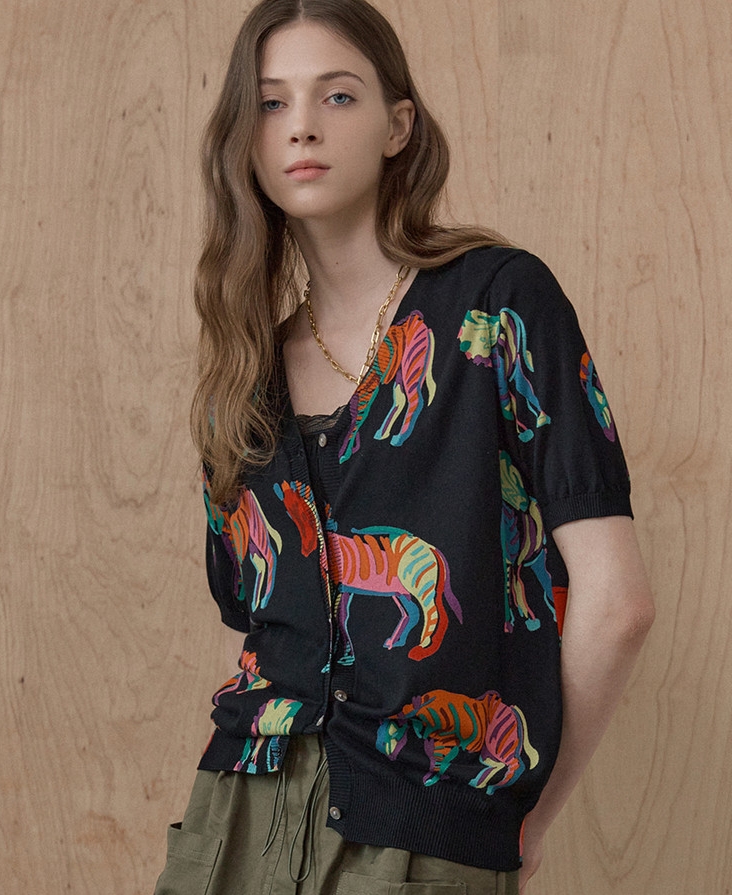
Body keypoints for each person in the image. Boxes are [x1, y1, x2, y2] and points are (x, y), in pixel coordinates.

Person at [154, 1, 655, 893]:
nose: (301, 125)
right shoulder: (245, 367)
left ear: (398, 126)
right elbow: (253, 621)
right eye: (270, 102)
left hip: (420, 832)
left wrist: (529, 813)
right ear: (245, 140)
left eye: (337, 95)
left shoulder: (498, 304)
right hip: (234, 820)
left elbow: (618, 603)